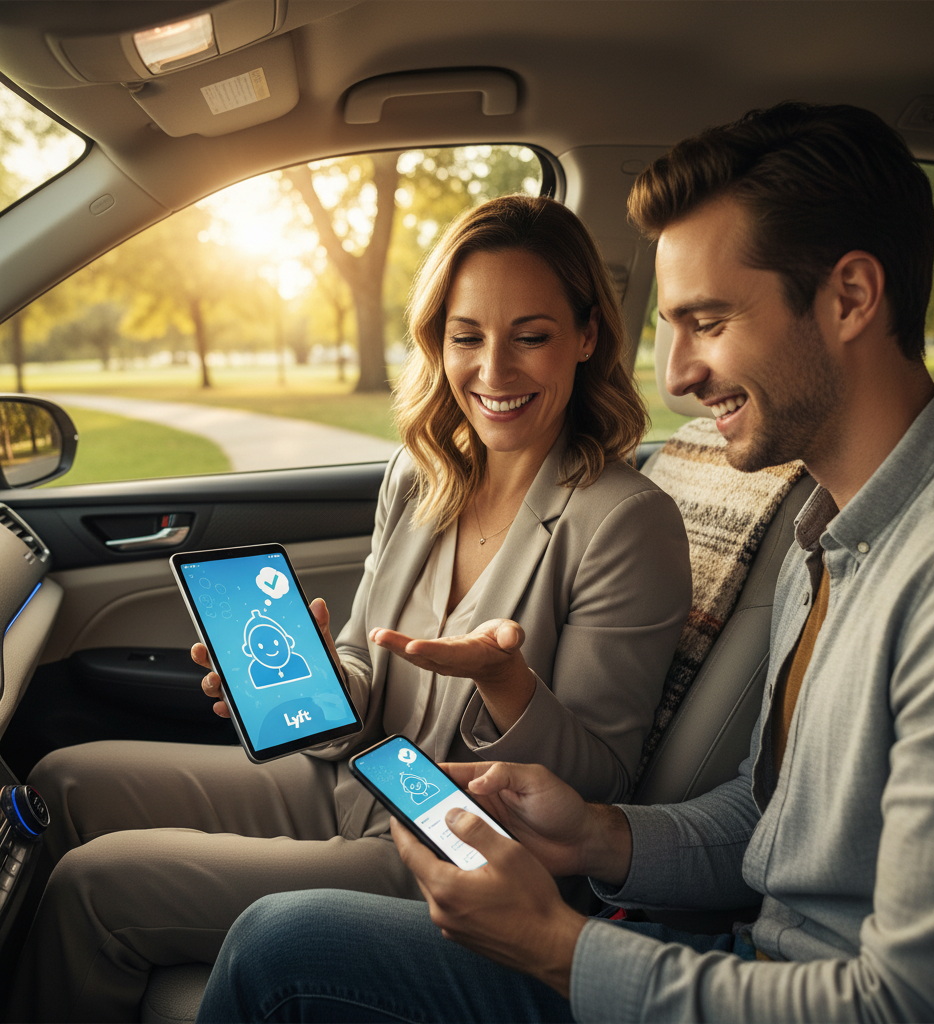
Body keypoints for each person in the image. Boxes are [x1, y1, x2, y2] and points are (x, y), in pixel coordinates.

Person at [197, 102, 934, 1023]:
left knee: (279, 947)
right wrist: (594, 835)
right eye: (670, 326)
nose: (674, 375)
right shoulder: (826, 533)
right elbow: (765, 824)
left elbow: (920, 1008)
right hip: (749, 950)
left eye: (706, 321)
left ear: (851, 298)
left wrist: (557, 947)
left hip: (803, 985)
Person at [10, 195, 691, 1023]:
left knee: (95, 885)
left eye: (532, 336)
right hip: (351, 776)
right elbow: (372, 674)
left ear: (588, 337)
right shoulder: (422, 475)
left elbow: (598, 784)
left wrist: (507, 684)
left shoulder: (626, 521)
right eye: (466, 336)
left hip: (447, 843)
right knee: (62, 780)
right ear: (436, 342)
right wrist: (324, 680)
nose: (494, 372)